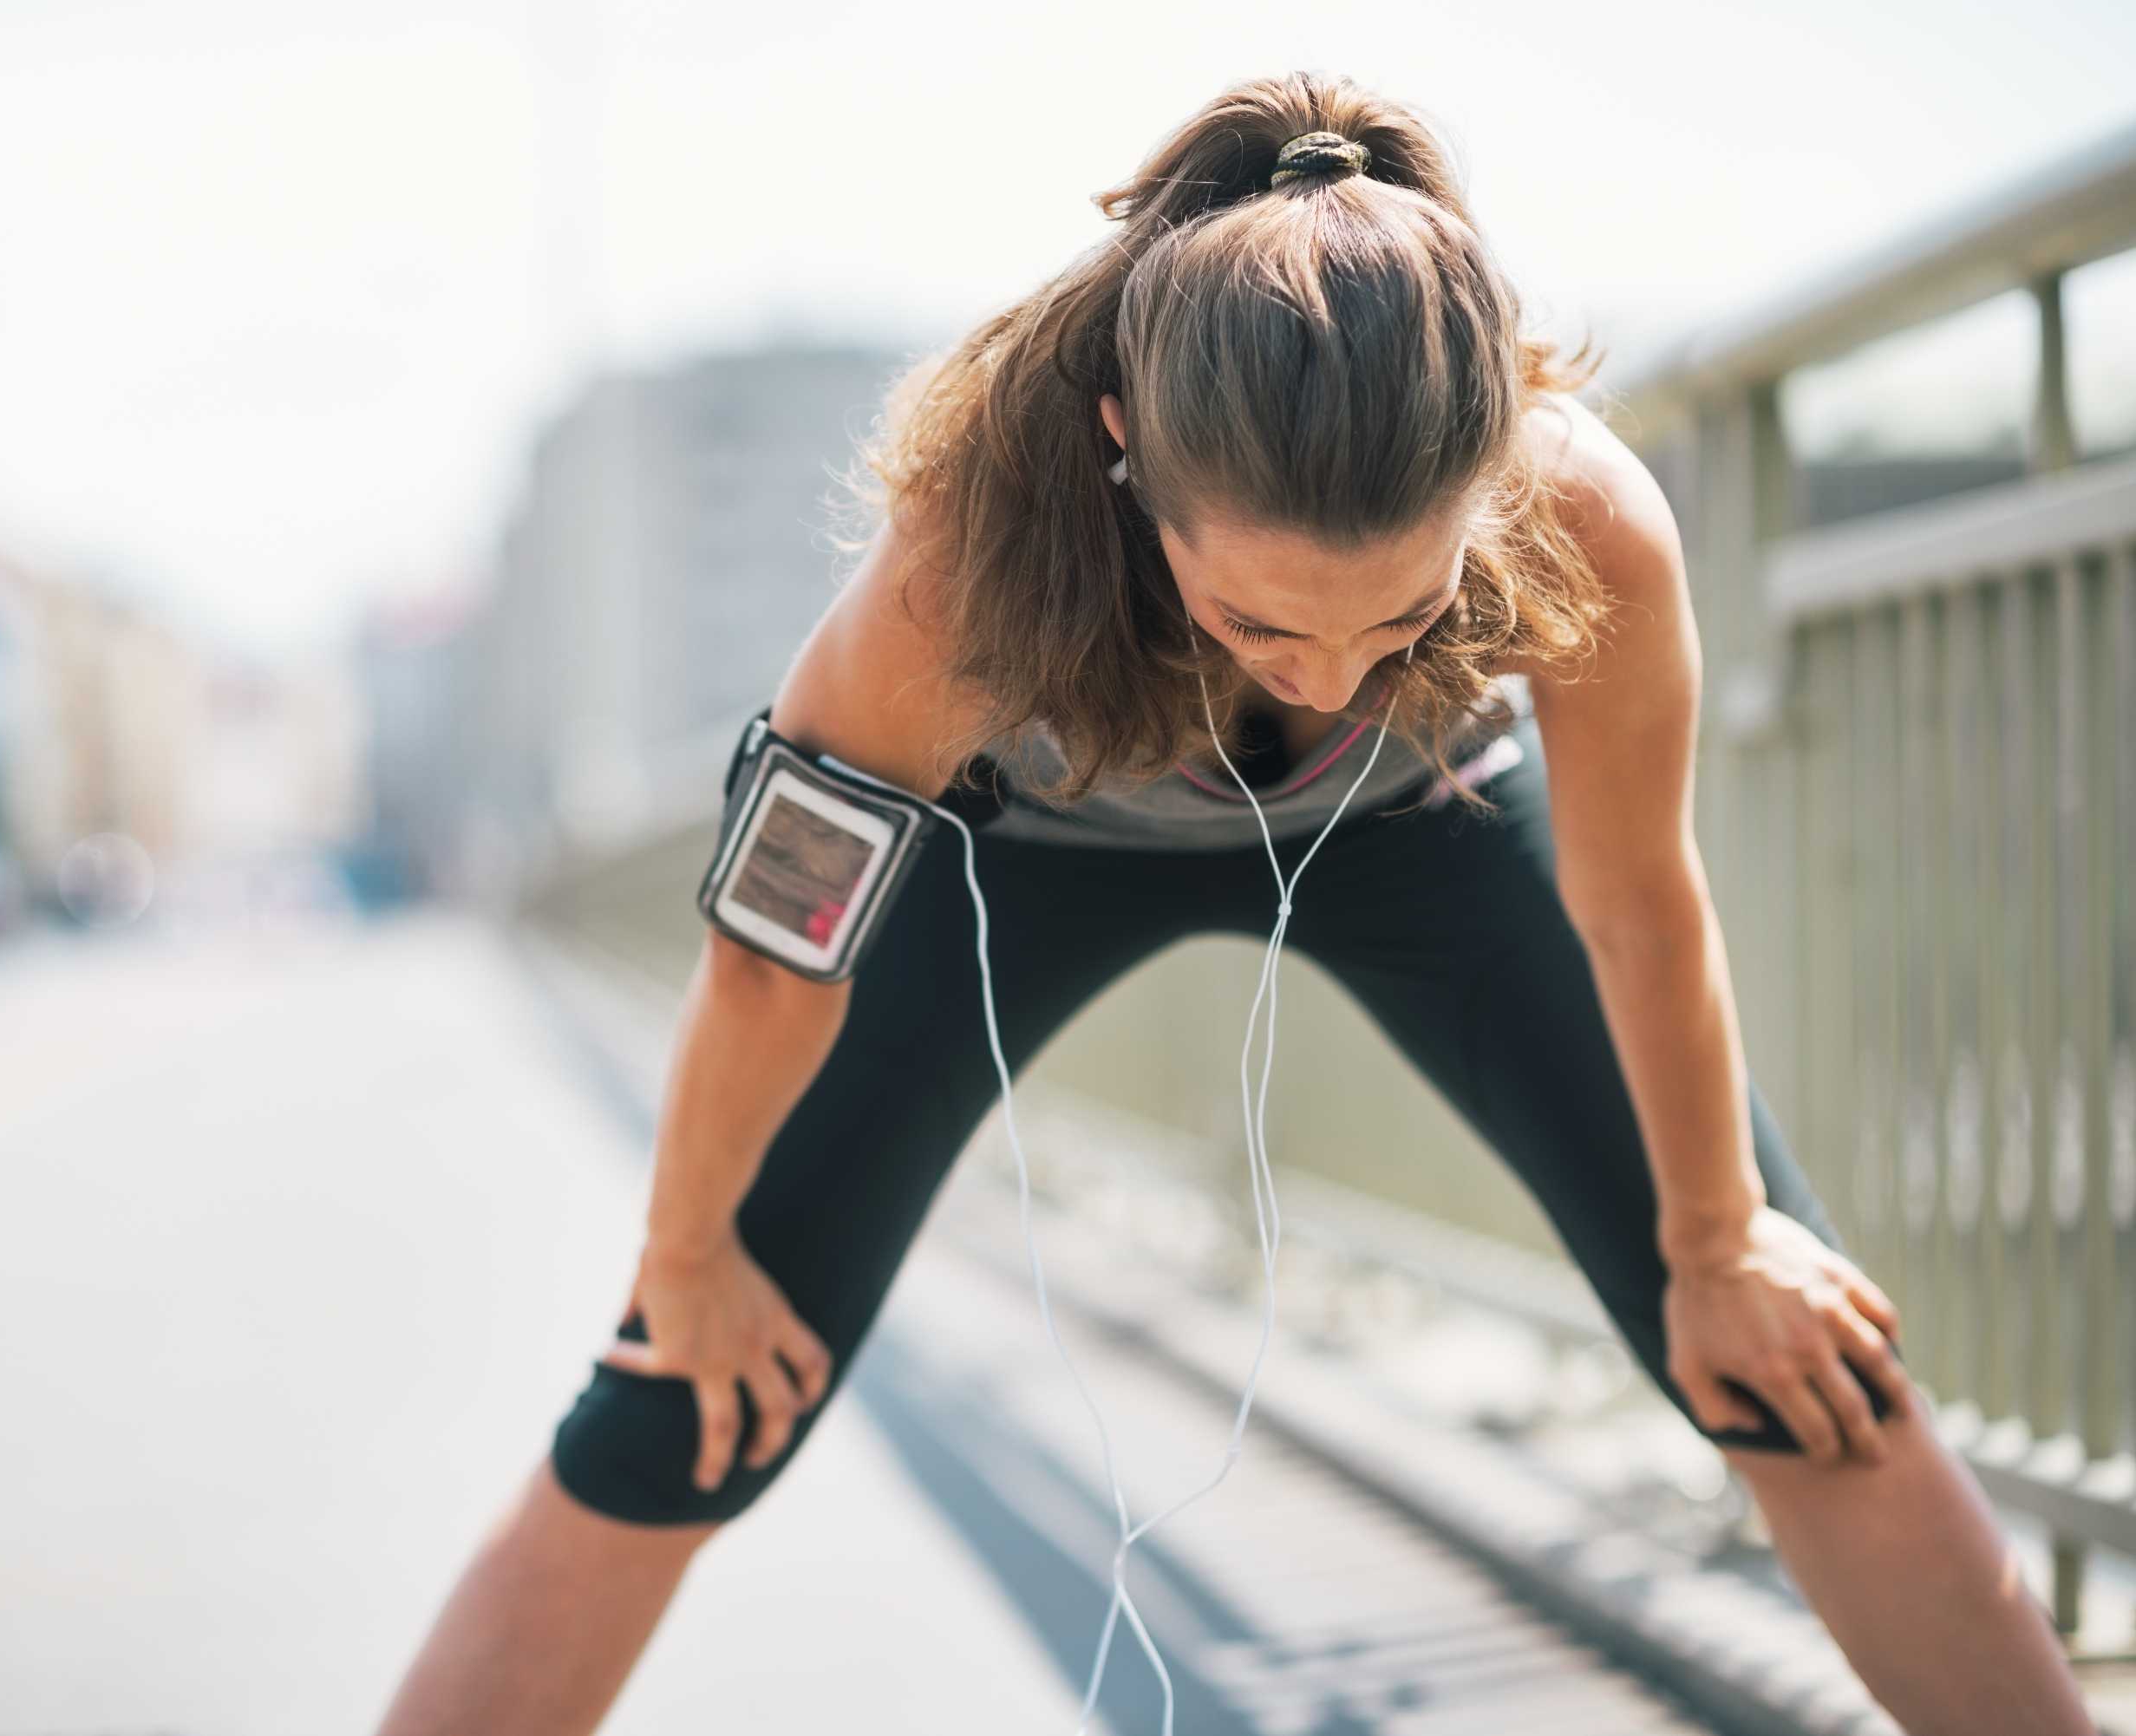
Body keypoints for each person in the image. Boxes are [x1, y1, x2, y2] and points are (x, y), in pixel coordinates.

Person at [376, 70, 2098, 1736]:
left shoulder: (1588, 516)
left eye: (1401, 614)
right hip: (1014, 853)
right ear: (1125, 450)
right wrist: (684, 1259)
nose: (1336, 664)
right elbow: (769, 954)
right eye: (1266, 624)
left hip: (1415, 827)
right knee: (686, 1397)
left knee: (1800, 1366)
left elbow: (1639, 900)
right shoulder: (958, 569)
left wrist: (1718, 1242)